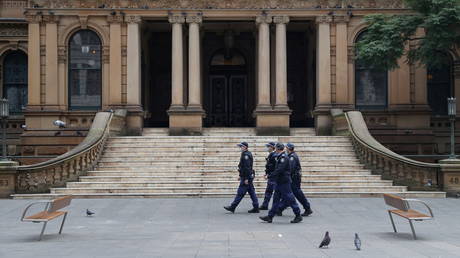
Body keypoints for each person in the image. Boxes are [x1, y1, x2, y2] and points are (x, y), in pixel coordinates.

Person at [259, 143, 302, 223]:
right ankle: (270, 216)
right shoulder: (280, 156)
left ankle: (298, 215)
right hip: (279, 181)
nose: (275, 149)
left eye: (275, 148)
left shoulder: (283, 158)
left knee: (290, 198)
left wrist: (269, 176)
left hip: (284, 182)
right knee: (276, 199)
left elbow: (280, 170)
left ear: (278, 149)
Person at [278, 143, 313, 216]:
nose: (285, 149)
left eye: (286, 148)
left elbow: (291, 168)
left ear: (289, 148)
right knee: (290, 194)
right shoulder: (291, 156)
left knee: (295, 193)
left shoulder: (292, 157)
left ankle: (307, 208)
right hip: (293, 178)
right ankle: (280, 208)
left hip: (294, 178)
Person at [224, 142, 259, 213]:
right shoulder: (246, 154)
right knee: (252, 192)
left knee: (240, 192)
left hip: (247, 177)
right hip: (247, 176)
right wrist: (241, 176)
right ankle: (256, 207)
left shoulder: (246, 155)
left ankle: (232, 207)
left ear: (245, 147)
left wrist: (246, 178)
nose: (240, 148)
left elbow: (247, 167)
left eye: (241, 146)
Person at [259, 142, 277, 210]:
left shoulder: (274, 155)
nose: (267, 148)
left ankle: (284, 204)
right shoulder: (271, 155)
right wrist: (266, 173)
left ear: (272, 147)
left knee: (277, 191)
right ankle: (265, 205)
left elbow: (273, 167)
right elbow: (268, 166)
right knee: (269, 191)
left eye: (268, 146)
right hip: (271, 176)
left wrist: (269, 174)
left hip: (273, 176)